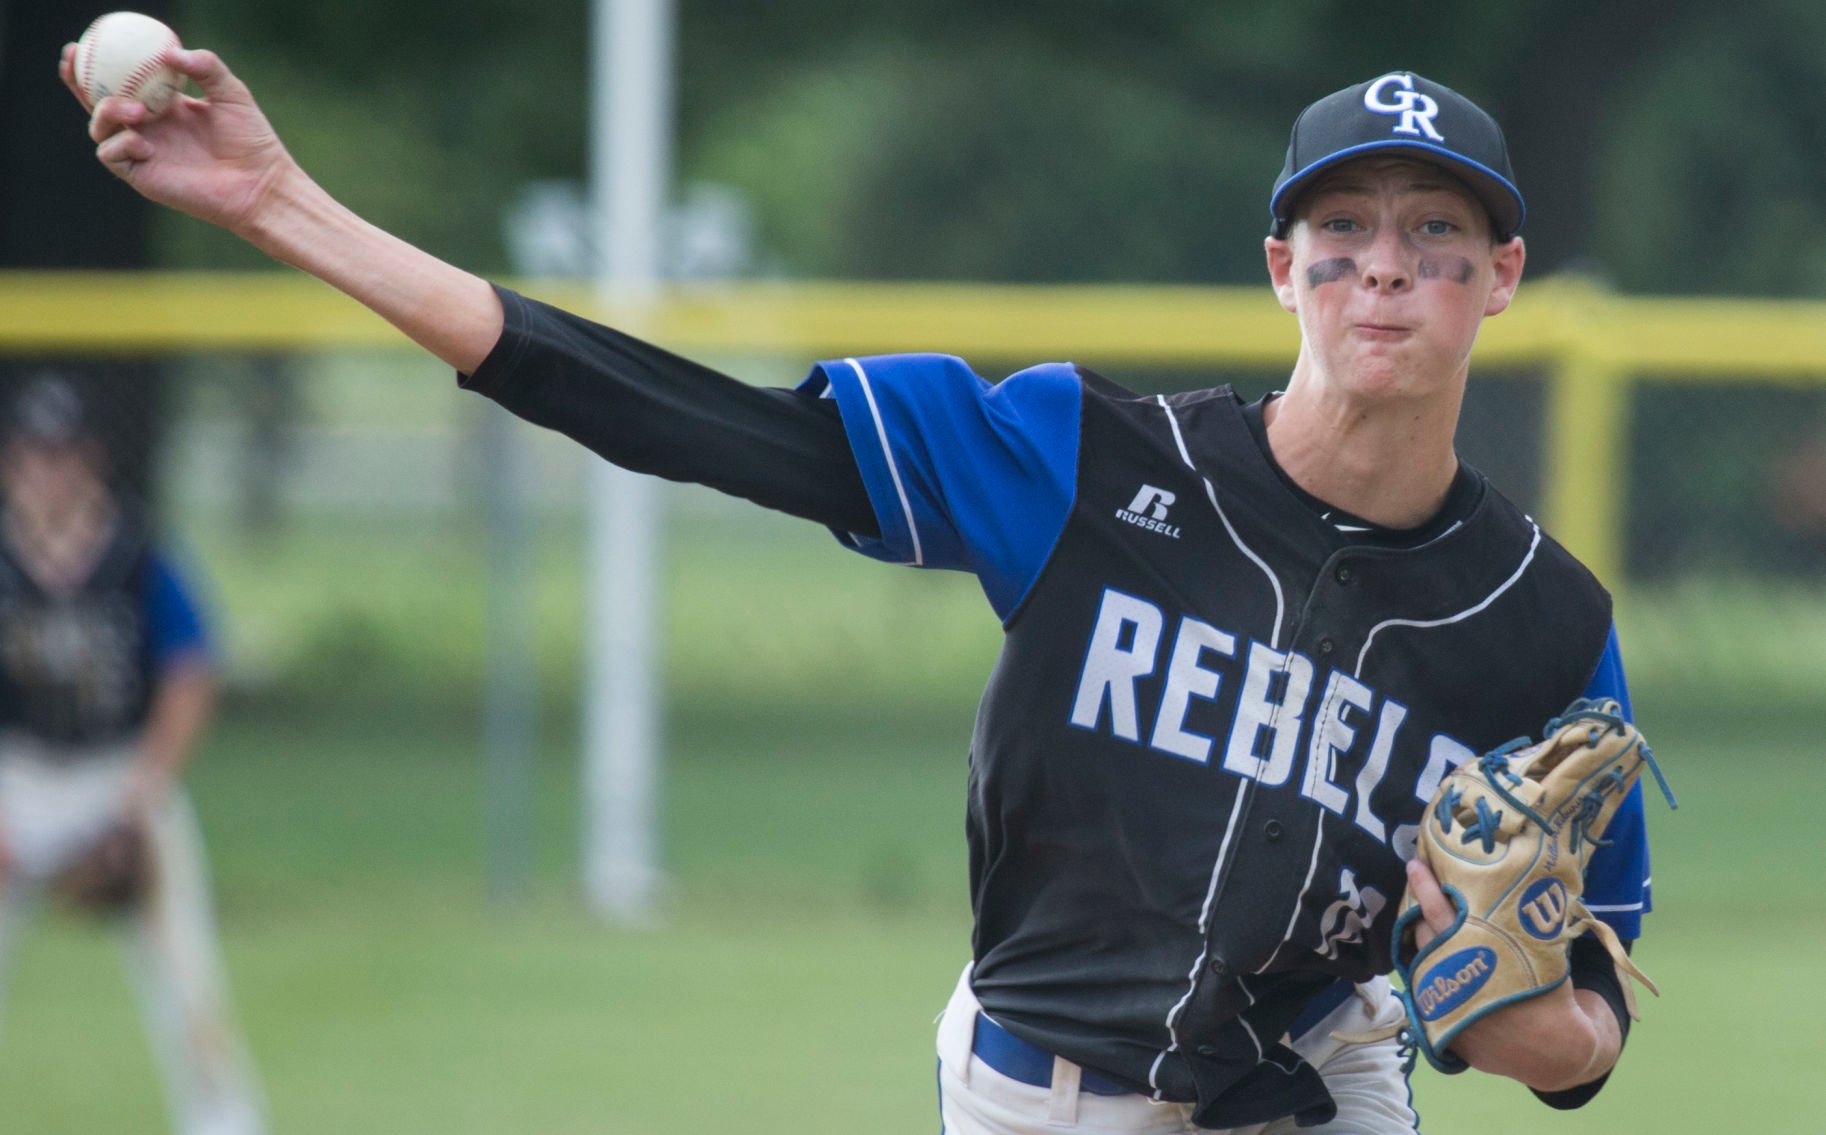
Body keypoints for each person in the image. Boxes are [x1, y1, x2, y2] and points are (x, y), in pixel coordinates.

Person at [63, 47, 1654, 1132]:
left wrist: (1537, 1029)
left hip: (1314, 1077)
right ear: (1277, 267)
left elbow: (1587, 1024)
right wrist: (285, 207)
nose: (1384, 265)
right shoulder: (1079, 459)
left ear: (1501, 277)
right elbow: (676, 413)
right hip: (1044, 1091)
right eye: (1341, 229)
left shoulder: (1539, 622)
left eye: (1437, 233)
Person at [0, 374, 266, 1135]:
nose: (48, 471)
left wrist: (142, 793)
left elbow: (191, 670)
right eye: (34, 455)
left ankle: (225, 1122)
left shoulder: (135, 554)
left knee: (187, 978)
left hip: (118, 773)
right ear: (12, 462)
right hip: (14, 774)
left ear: (89, 460)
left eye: (63, 455)